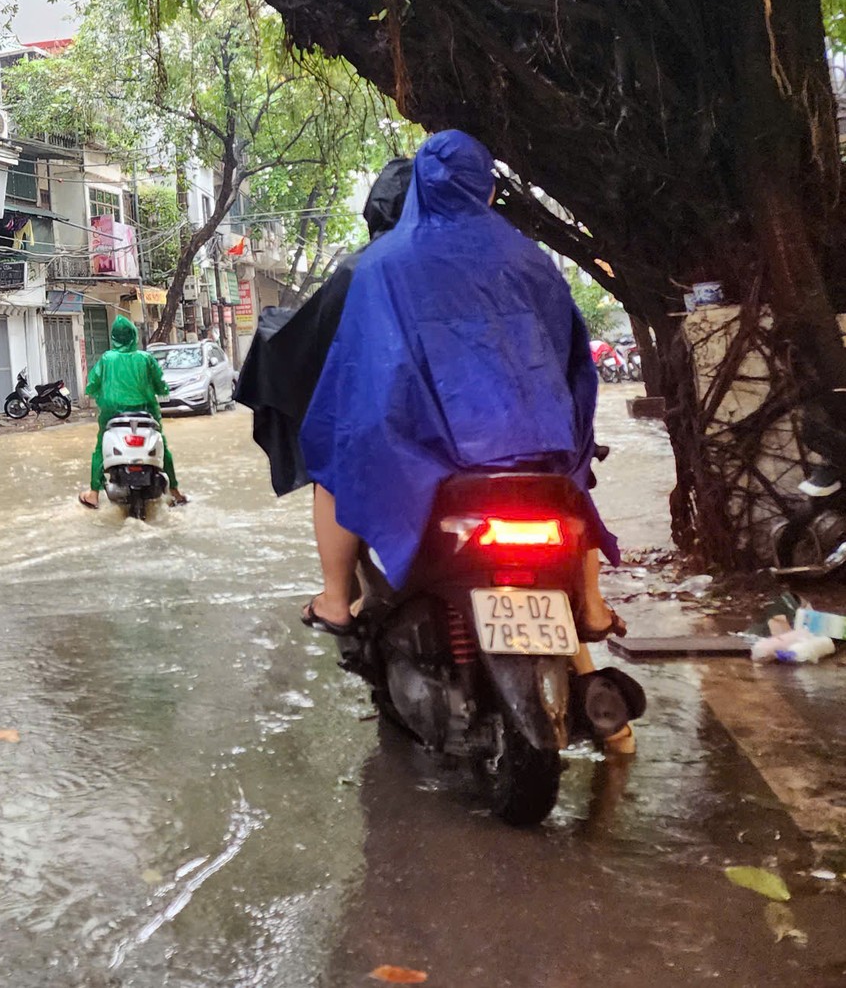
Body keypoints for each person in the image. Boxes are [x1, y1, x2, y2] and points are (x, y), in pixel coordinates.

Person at [297, 132, 624, 680]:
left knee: (332, 463)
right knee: (576, 478)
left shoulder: (383, 265)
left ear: (419, 186)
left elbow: (353, 380)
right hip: (535, 452)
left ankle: (334, 599)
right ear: (489, 190)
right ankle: (590, 601)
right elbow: (573, 365)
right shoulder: (530, 259)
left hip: (430, 459)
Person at [236, 156, 413, 497]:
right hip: (474, 429)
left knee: (333, 472)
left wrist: (272, 330)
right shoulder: (475, 258)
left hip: (376, 427)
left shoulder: (359, 269)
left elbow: (312, 337)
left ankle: (339, 553)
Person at [79, 313, 183, 509]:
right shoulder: (145, 358)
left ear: (114, 338)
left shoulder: (107, 359)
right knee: (163, 447)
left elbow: (91, 385)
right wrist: (163, 391)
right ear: (134, 336)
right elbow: (161, 385)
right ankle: (175, 491)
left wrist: (95, 392)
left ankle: (93, 493)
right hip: (146, 413)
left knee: (100, 448)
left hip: (112, 415)